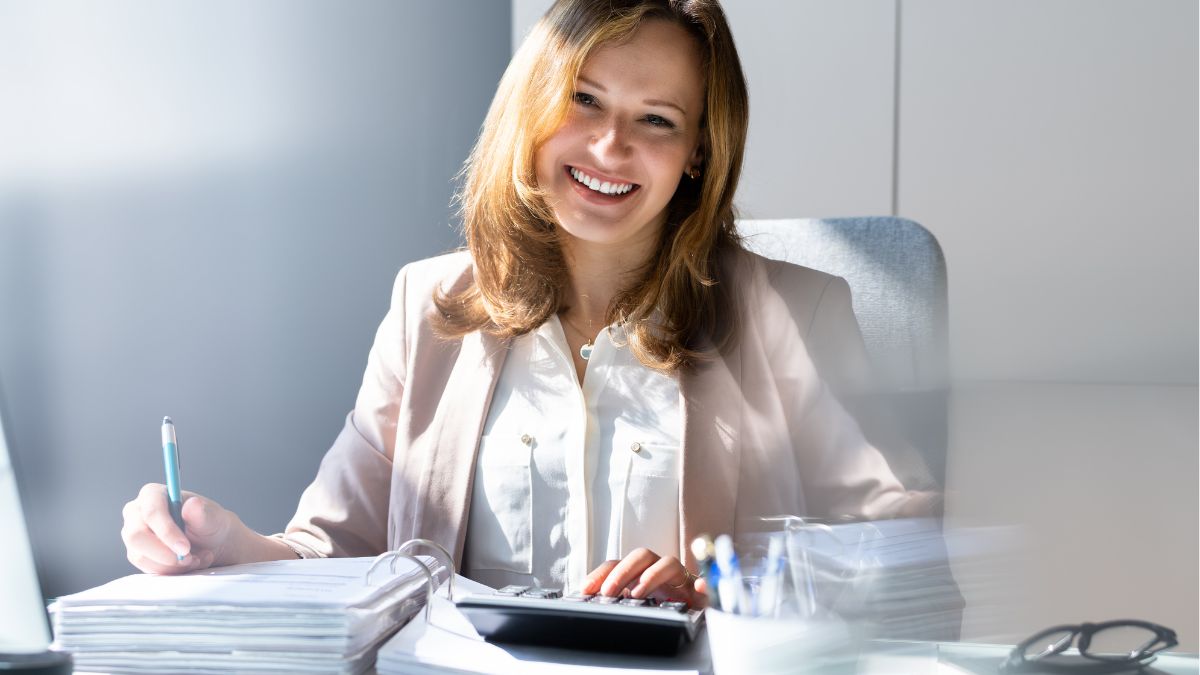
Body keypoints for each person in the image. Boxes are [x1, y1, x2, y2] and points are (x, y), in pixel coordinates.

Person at [120, 0, 936, 608]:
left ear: (697, 155)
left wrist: (728, 588)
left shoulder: (794, 314)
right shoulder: (428, 306)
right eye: (584, 99)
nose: (610, 146)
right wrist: (230, 549)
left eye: (656, 119)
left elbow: (913, 560)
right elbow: (336, 547)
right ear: (533, 112)